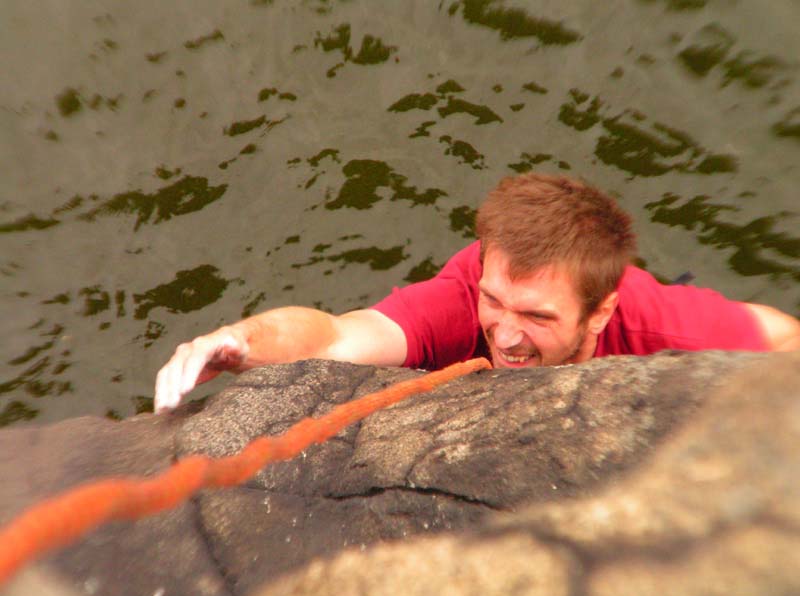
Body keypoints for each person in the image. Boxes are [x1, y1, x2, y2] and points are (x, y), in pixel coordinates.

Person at [154, 173, 800, 413]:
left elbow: (783, 337)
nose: (508, 334)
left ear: (600, 311)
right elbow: (338, 334)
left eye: (538, 316)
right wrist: (237, 342)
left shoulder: (661, 326)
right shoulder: (463, 297)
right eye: (498, 301)